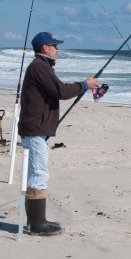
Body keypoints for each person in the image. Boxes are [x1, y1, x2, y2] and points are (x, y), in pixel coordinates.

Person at [18, 32, 101, 236]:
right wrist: (84, 85)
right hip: (36, 129)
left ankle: (35, 221)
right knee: (39, 174)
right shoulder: (40, 67)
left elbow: (57, 90)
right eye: (54, 45)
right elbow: (61, 91)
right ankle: (38, 225)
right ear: (45, 48)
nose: (57, 49)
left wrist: (82, 85)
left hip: (36, 128)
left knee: (35, 173)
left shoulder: (42, 67)